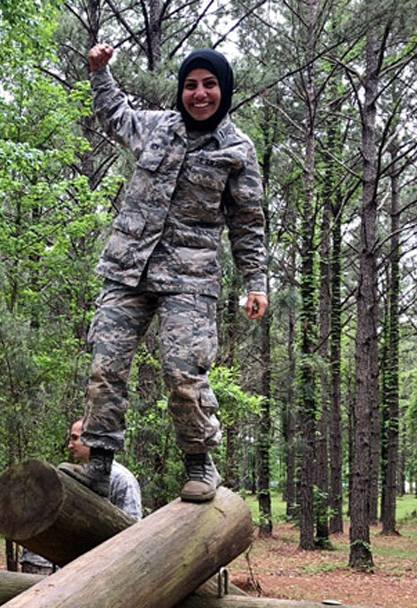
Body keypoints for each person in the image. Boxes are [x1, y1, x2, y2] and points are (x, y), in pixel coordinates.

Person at [69, 43, 268, 504]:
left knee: (183, 371)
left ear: (225, 89)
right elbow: (115, 114)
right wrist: (100, 72)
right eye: (191, 85)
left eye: (209, 85)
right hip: (128, 267)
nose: (199, 94)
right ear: (182, 90)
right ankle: (98, 463)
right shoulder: (158, 127)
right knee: (106, 364)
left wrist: (255, 281)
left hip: (191, 277)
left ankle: (200, 461)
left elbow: (248, 222)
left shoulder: (237, 149)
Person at [20, 418, 142, 574]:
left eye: (75, 438)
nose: (70, 445)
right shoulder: (75, 474)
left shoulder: (122, 479)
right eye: (70, 438)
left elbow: (133, 530)